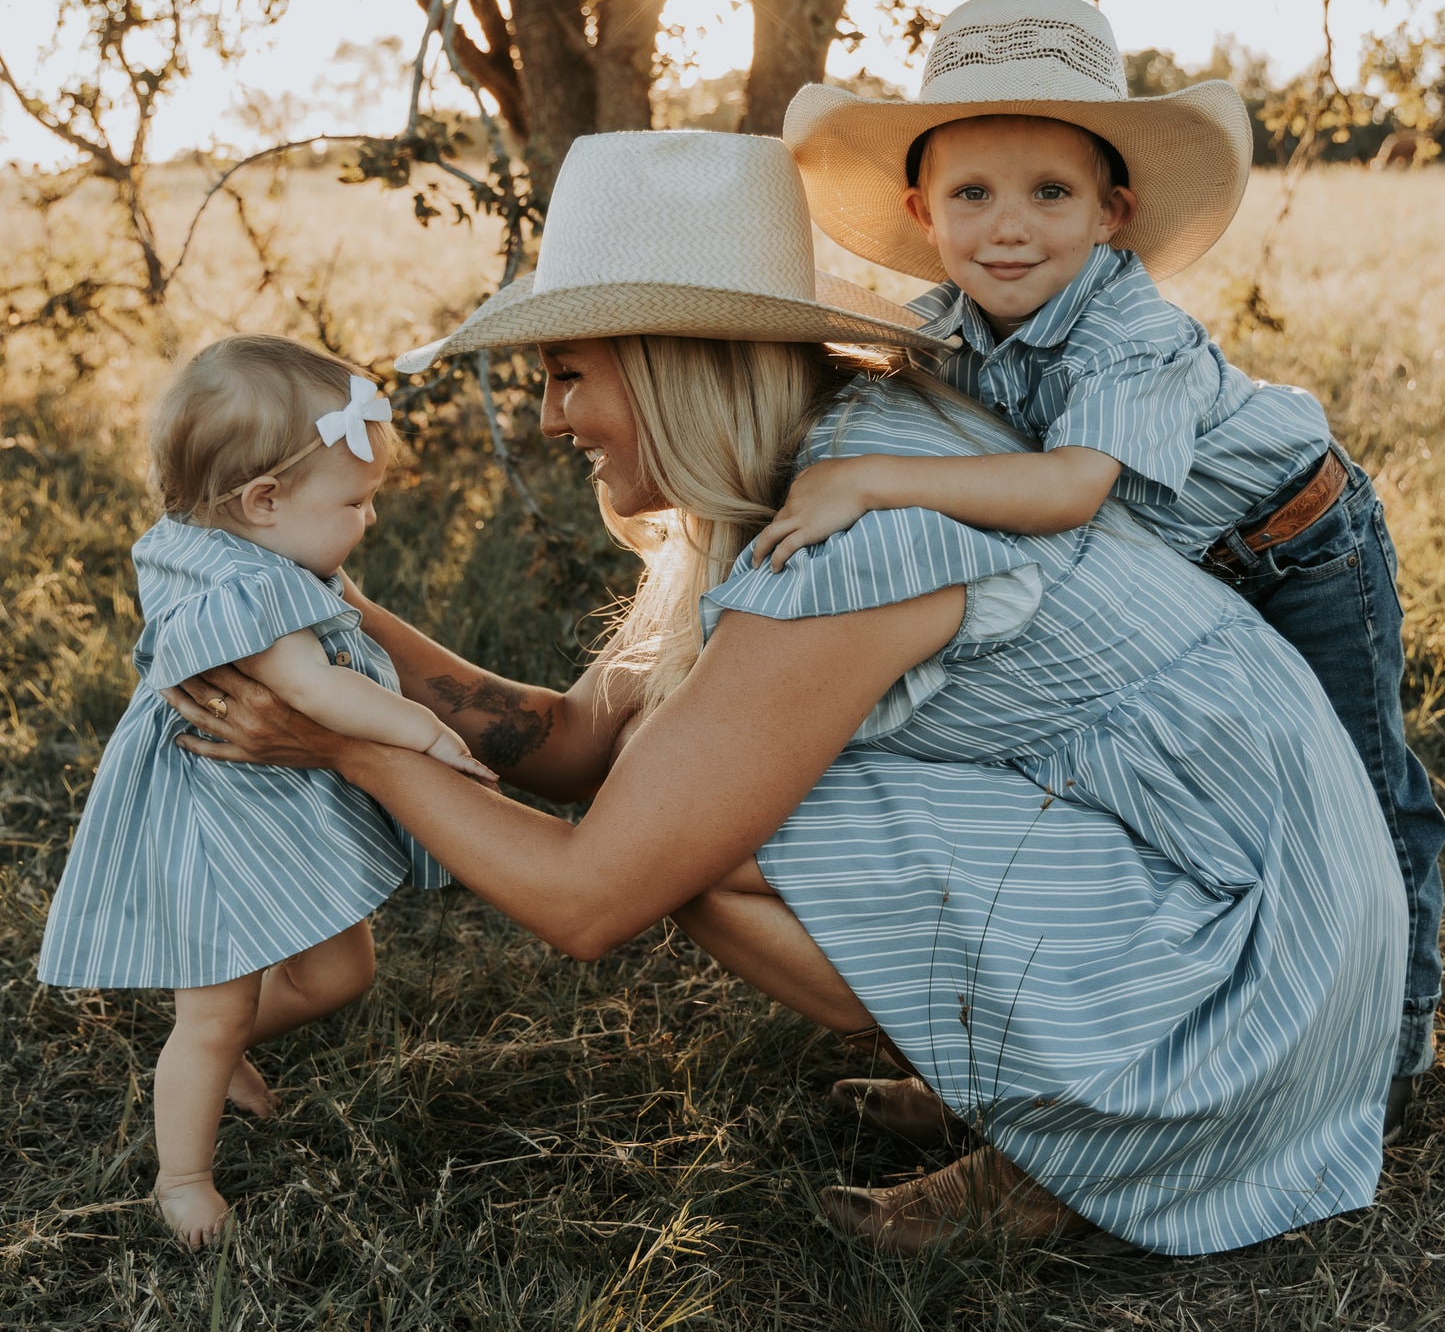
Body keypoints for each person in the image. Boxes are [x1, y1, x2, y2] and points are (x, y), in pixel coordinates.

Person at [163, 131, 1405, 1257]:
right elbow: (577, 741)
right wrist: (301, 605)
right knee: (679, 774)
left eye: (568, 376)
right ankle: (1024, 1064)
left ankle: (1084, 1125)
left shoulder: (857, 539)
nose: (551, 417)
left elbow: (591, 894)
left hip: (1258, 974)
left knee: (703, 832)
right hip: (1214, 874)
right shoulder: (803, 476)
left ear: (670, 371)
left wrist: (351, 751)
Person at [779, 0, 1443, 1118]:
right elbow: (911, 416)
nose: (1008, 226)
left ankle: (1390, 1041)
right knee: (1172, 806)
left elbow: (1068, 487)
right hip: (1170, 585)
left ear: (1110, 214)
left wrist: (869, 479)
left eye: (1050, 194)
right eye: (971, 194)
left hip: (1295, 544)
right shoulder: (941, 325)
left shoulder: (1131, 330)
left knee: (1363, 780)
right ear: (920, 209)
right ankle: (1096, 1038)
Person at [37, 334, 492, 1248]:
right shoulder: (246, 590)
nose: (368, 521)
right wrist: (431, 734)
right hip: (212, 821)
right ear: (264, 500)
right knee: (212, 1012)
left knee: (339, 972)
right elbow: (322, 692)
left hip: (274, 810)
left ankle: (229, 1055)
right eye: (356, 503)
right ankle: (183, 1179)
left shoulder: (224, 547)